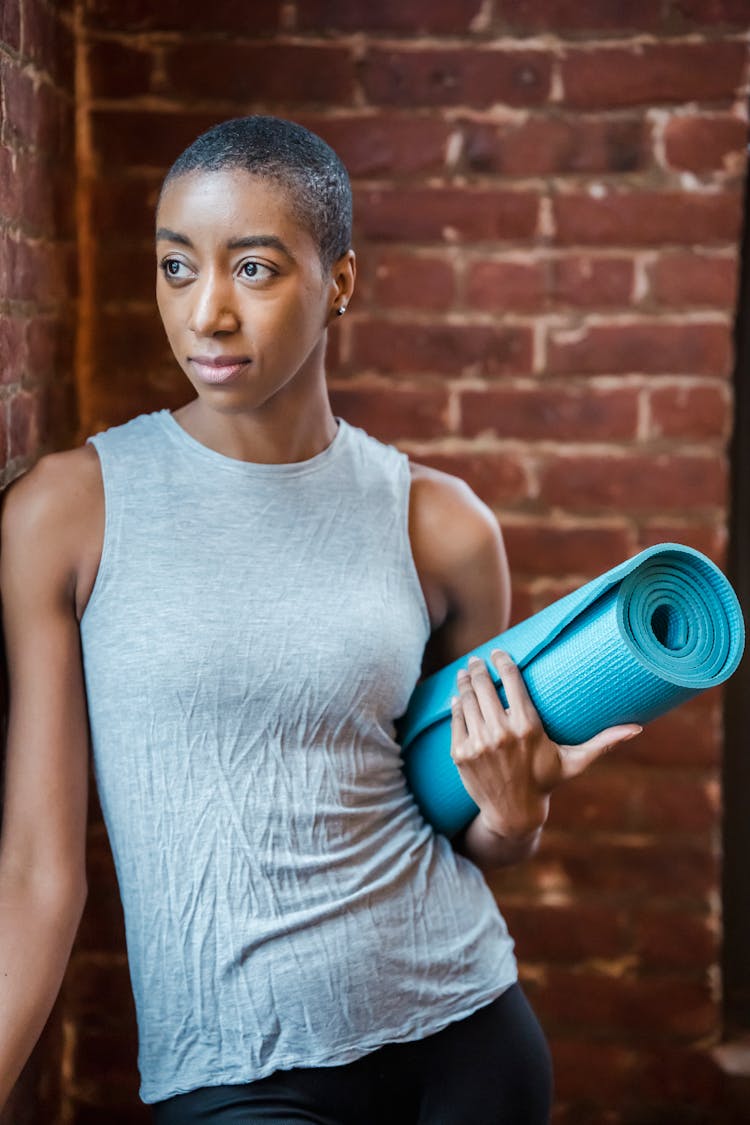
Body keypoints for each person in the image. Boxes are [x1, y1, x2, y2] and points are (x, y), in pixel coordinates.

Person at [0, 116, 641, 1124]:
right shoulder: (69, 512)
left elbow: (470, 819)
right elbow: (37, 868)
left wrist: (518, 813)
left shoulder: (441, 525)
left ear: (339, 281)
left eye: (253, 269)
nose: (206, 313)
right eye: (177, 267)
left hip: (467, 1038)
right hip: (236, 1068)